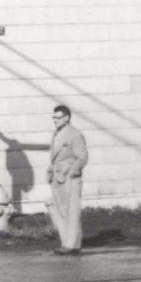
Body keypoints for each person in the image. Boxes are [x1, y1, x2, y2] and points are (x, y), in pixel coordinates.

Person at [47, 104, 89, 255]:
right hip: (57, 177)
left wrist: (71, 172)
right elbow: (55, 157)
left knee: (72, 210)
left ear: (66, 118)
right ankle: (66, 242)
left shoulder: (74, 135)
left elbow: (82, 157)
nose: (54, 120)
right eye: (54, 117)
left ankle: (72, 245)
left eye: (57, 118)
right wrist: (51, 171)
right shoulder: (56, 134)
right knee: (61, 210)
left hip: (69, 178)